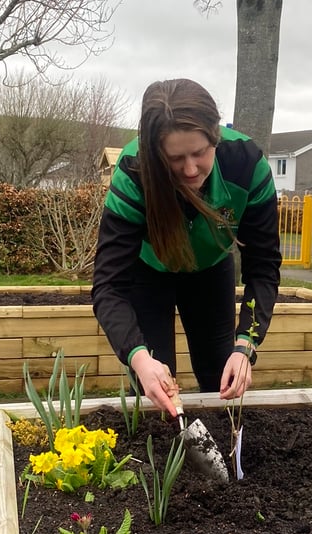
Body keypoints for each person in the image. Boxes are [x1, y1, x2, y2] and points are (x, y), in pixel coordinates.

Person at [91, 78, 282, 418]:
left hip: (210, 270)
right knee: (156, 386)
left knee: (219, 374)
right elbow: (109, 286)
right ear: (154, 155)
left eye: (200, 152)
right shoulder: (134, 174)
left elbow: (263, 267)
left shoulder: (248, 166)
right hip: (147, 272)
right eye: (175, 159)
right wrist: (139, 358)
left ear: (216, 137)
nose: (191, 169)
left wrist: (246, 346)